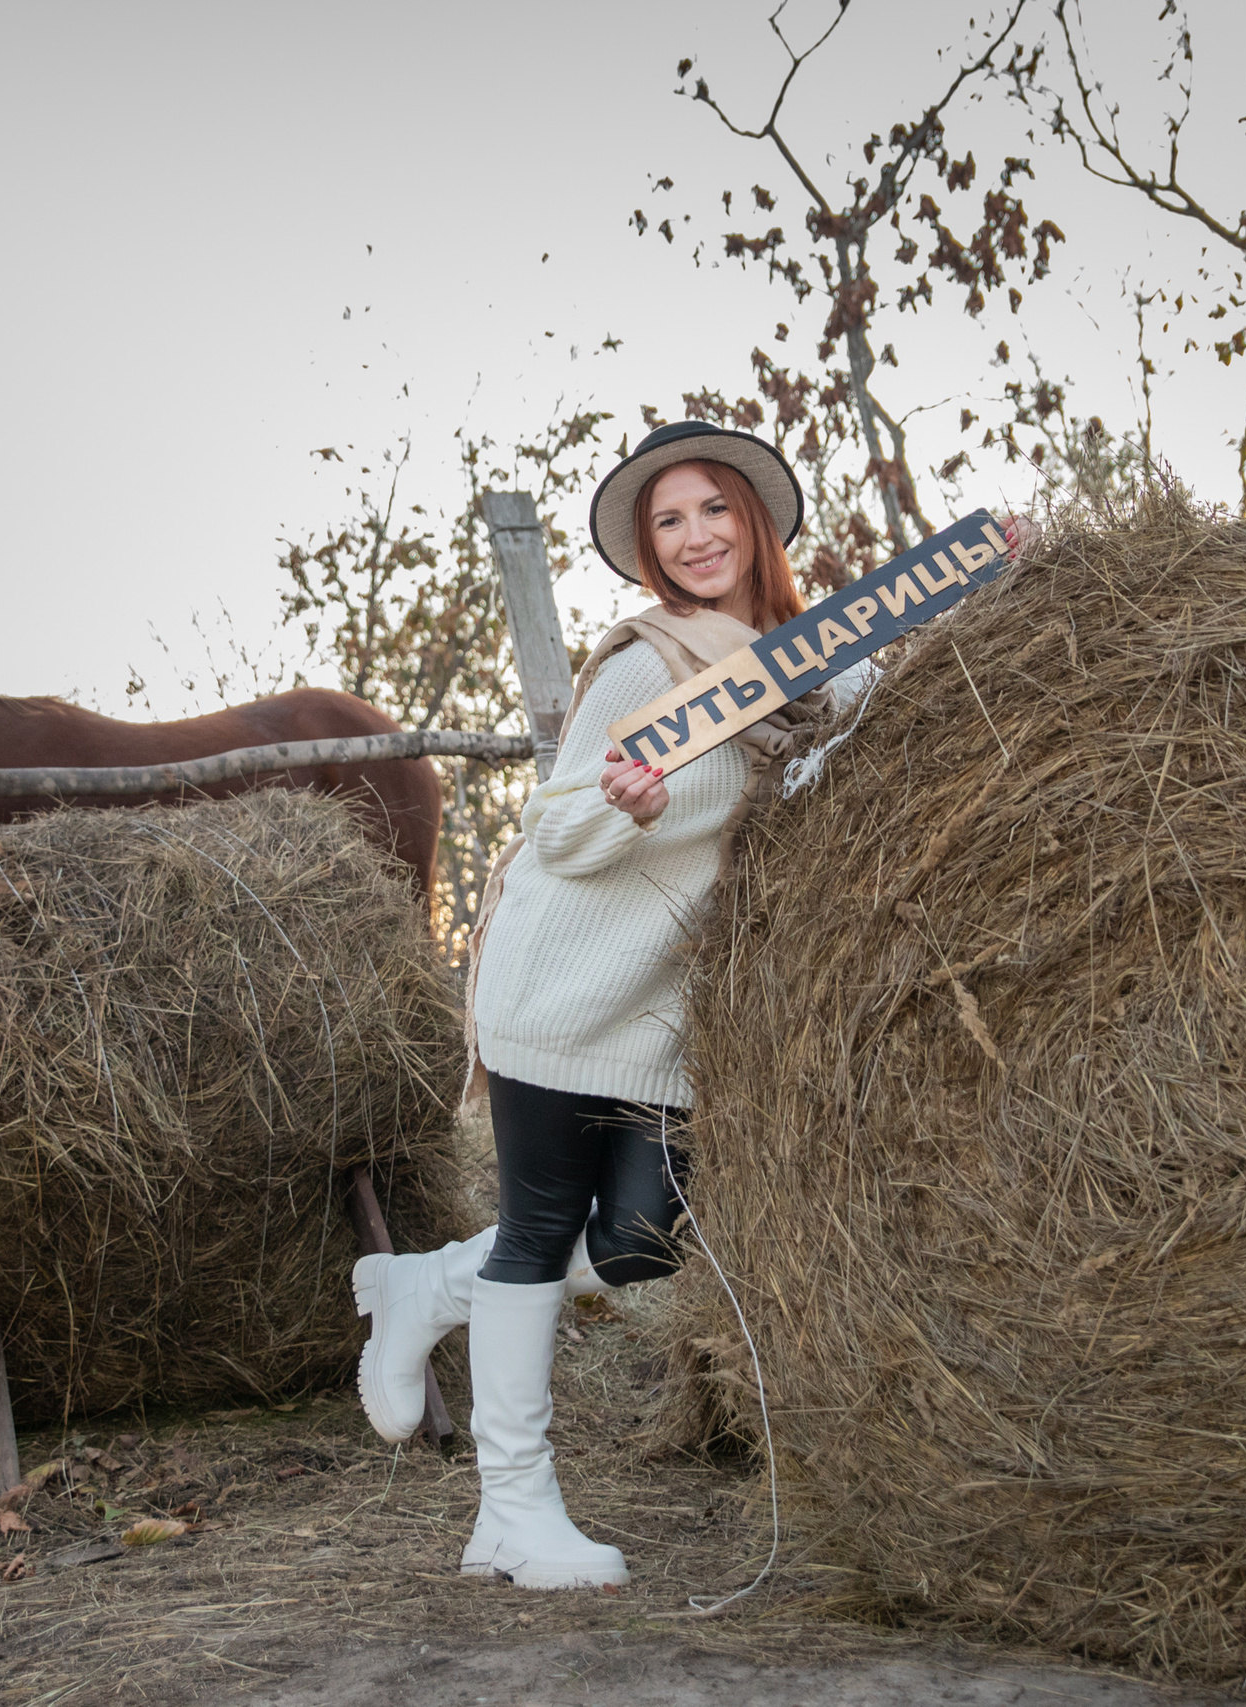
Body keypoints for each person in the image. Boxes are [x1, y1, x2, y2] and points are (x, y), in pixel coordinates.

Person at [350, 420, 829, 1591]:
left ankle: (420, 1288)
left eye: (713, 508)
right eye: (669, 521)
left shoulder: (805, 659)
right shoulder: (646, 662)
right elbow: (550, 827)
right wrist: (629, 801)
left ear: (752, 520)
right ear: (649, 551)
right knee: (534, 1235)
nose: (696, 535)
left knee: (639, 1241)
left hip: (662, 1013)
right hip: (561, 992)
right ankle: (511, 1513)